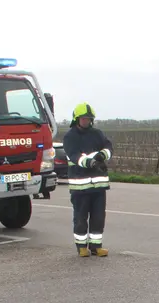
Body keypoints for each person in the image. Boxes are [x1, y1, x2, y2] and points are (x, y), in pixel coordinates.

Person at [62, 102, 114, 257]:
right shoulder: (70, 137)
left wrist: (102, 155)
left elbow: (109, 147)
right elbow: (75, 156)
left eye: (89, 119)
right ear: (77, 119)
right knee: (80, 217)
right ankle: (81, 247)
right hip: (80, 187)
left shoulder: (97, 133)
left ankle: (96, 246)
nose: (86, 121)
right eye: (83, 118)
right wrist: (91, 162)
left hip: (99, 186)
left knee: (98, 217)